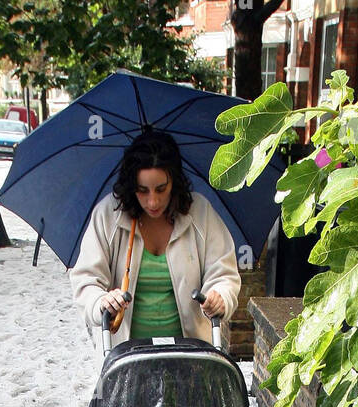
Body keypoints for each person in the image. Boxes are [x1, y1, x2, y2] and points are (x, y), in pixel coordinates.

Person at [70, 129, 241, 345]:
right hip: (126, 357)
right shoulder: (107, 216)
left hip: (189, 354)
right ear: (131, 186)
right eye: (143, 190)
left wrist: (219, 296)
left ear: (175, 182)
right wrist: (101, 301)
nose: (153, 202)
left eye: (161, 189)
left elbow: (223, 272)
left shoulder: (201, 213)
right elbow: (86, 280)